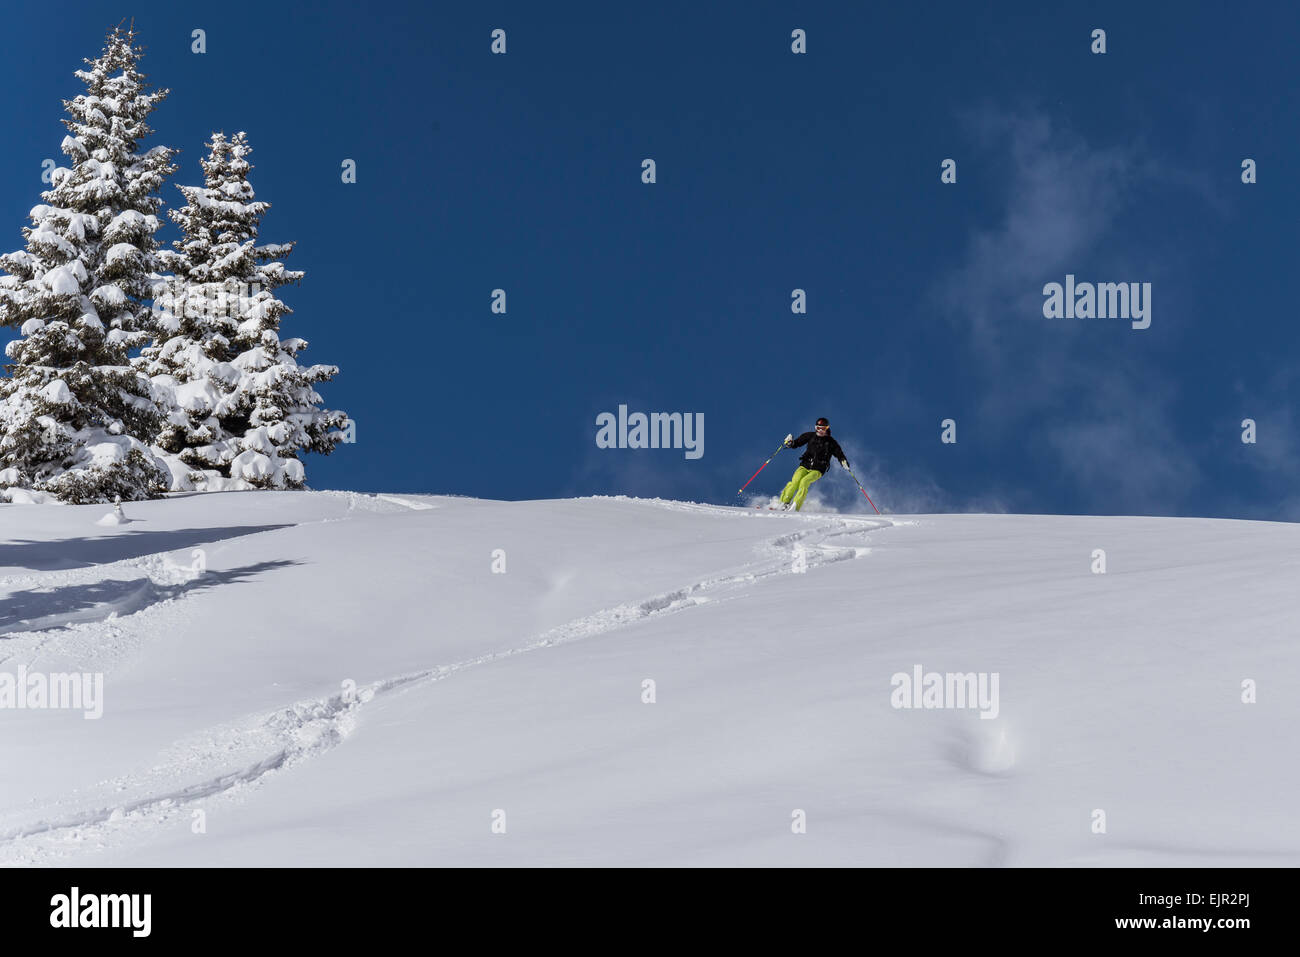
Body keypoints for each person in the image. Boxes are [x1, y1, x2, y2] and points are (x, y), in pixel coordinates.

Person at [778, 417, 849, 511]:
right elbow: (797, 443)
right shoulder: (810, 436)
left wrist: (843, 461)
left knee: (804, 482)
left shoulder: (831, 442)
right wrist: (790, 443)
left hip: (818, 469)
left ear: (827, 428)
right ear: (815, 428)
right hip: (805, 465)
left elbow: (839, 453)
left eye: (823, 428)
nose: (820, 431)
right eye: (818, 428)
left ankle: (795, 506)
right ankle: (783, 503)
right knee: (795, 481)